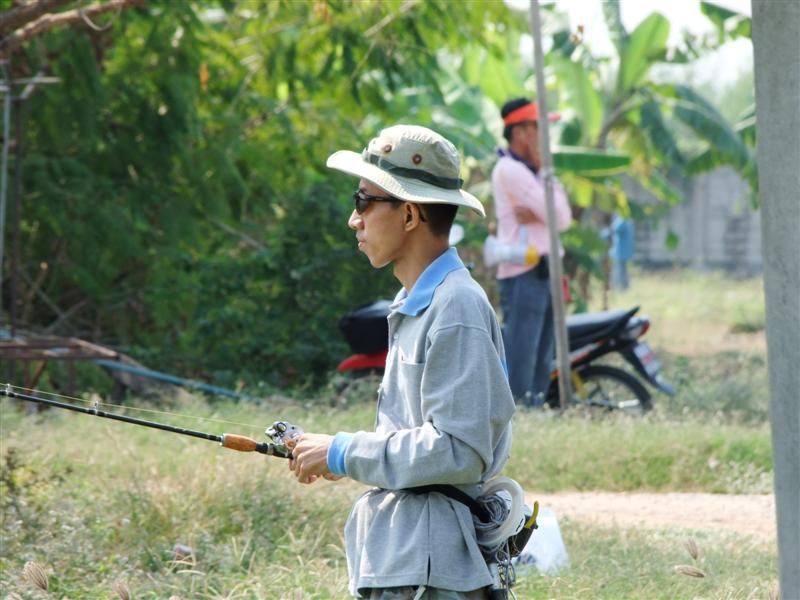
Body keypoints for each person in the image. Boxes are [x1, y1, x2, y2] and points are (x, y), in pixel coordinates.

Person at [285, 124, 516, 599]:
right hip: (402, 559)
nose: (355, 219)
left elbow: (459, 449)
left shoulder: (457, 308)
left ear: (409, 215)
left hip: (429, 572)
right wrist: (347, 458)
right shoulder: (415, 301)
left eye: (363, 201)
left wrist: (345, 451)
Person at [491, 97, 572, 406]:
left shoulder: (536, 171)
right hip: (524, 274)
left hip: (546, 271)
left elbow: (561, 218)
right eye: (538, 128)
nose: (543, 136)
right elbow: (560, 216)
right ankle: (516, 419)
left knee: (542, 355)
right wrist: (546, 212)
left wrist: (543, 210)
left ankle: (533, 414)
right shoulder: (510, 170)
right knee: (522, 356)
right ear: (520, 132)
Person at [605, 213, 635, 290]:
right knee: (623, 271)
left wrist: (600, 235)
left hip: (619, 252)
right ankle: (624, 287)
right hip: (624, 251)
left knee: (619, 271)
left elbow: (612, 230)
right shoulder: (628, 219)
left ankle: (620, 288)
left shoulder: (622, 220)